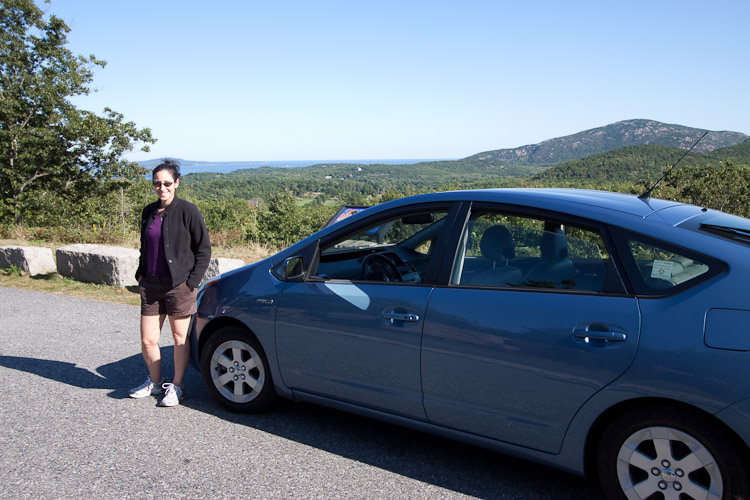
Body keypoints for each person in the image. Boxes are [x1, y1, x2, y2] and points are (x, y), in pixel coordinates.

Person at [129, 159, 211, 407]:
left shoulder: (188, 211)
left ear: (176, 183)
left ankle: (176, 387)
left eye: (166, 183)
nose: (161, 188)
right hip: (151, 285)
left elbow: (203, 250)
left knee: (179, 338)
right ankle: (154, 383)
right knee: (148, 340)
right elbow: (146, 247)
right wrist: (140, 274)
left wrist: (191, 283)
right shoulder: (148, 212)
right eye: (157, 184)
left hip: (179, 285)